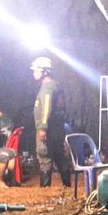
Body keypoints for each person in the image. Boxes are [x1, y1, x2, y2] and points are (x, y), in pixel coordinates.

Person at [31, 56, 72, 188]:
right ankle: (67, 185)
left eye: (36, 70)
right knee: (59, 154)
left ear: (44, 71)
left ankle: (45, 191)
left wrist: (42, 127)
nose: (34, 73)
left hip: (48, 129)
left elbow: (46, 107)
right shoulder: (55, 85)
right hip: (57, 128)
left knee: (44, 156)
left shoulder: (47, 87)